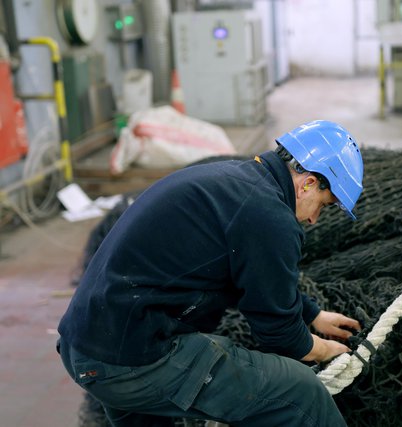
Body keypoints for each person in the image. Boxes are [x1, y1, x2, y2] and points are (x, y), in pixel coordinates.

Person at [57, 120, 365, 427]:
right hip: (129, 361)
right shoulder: (271, 218)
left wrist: (313, 314)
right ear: (309, 183)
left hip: (87, 346)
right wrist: (324, 349)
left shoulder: (239, 182)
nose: (313, 219)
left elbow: (253, 278)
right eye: (323, 206)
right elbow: (279, 335)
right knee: (301, 391)